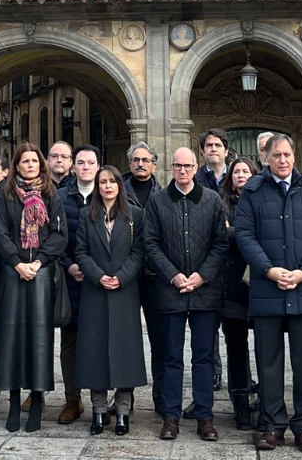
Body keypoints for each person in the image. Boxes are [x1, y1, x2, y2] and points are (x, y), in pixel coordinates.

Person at [235, 132, 302, 454]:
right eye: (276, 155)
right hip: (268, 289)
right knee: (269, 363)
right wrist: (269, 270)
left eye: (287, 154)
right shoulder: (253, 191)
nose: (282, 160)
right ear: (267, 158)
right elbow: (245, 236)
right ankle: (272, 424)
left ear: (295, 157)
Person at [143, 146, 227, 442]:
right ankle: (171, 415)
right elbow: (150, 243)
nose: (182, 170)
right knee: (171, 357)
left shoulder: (213, 200)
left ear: (196, 167)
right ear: (172, 167)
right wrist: (173, 275)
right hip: (171, 290)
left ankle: (205, 416)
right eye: (177, 165)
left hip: (206, 291)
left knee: (204, 356)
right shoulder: (157, 201)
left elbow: (221, 244)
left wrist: (202, 275)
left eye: (187, 166)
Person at [0, 140, 67, 433]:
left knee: (39, 338)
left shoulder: (51, 195)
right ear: (17, 166)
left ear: (41, 165)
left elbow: (60, 233)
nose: (30, 165)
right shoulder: (6, 197)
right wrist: (16, 262)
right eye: (25, 161)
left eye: (34, 161)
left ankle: (36, 400)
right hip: (13, 272)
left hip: (42, 273)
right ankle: (13, 401)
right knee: (10, 336)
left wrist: (39, 262)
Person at [76, 164, 146, 435]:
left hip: (124, 292)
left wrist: (121, 276)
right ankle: (98, 410)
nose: (107, 186)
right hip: (95, 292)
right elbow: (81, 251)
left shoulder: (135, 216)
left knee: (124, 352)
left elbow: (139, 251)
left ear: (119, 185)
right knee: (95, 353)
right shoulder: (86, 216)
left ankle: (123, 412)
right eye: (102, 182)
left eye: (112, 182)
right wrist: (97, 275)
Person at [125, 142, 169, 416]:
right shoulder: (117, 194)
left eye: (146, 160)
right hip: (127, 280)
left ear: (154, 164)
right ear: (129, 164)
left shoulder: (164, 196)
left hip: (155, 279)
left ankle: (162, 399)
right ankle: (124, 399)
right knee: (126, 341)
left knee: (161, 342)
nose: (141, 164)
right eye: (136, 160)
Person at [57, 143, 99, 424]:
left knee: (98, 342)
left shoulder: (108, 194)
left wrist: (96, 271)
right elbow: (53, 238)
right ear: (74, 167)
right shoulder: (59, 198)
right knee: (69, 343)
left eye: (90, 163)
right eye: (80, 163)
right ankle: (73, 399)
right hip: (71, 280)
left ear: (98, 166)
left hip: (98, 282)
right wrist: (70, 265)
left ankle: (99, 399)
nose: (85, 167)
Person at [219, 158, 259, 428]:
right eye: (237, 172)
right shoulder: (220, 204)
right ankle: (240, 404)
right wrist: (244, 235)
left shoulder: (263, 201)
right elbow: (219, 238)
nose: (241, 175)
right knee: (235, 348)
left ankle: (266, 400)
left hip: (262, 285)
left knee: (267, 348)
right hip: (232, 285)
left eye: (246, 171)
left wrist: (235, 233)